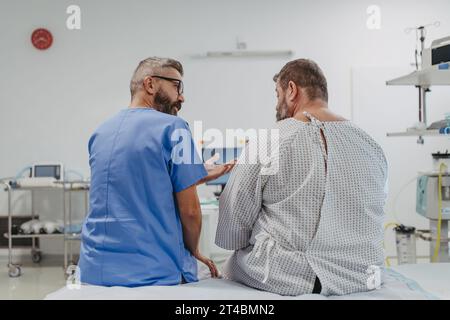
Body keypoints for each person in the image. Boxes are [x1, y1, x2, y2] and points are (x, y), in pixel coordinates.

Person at [215, 59, 388, 296]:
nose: (277, 105)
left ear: (292, 90)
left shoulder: (270, 140)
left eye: (278, 94)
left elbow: (232, 228)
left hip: (295, 277)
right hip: (363, 276)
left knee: (230, 264)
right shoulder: (370, 144)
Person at [78, 57, 233, 287]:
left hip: (94, 269)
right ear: (150, 84)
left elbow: (136, 185)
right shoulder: (175, 128)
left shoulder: (101, 132)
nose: (181, 97)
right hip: (151, 271)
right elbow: (190, 211)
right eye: (176, 86)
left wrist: (194, 175)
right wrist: (194, 251)